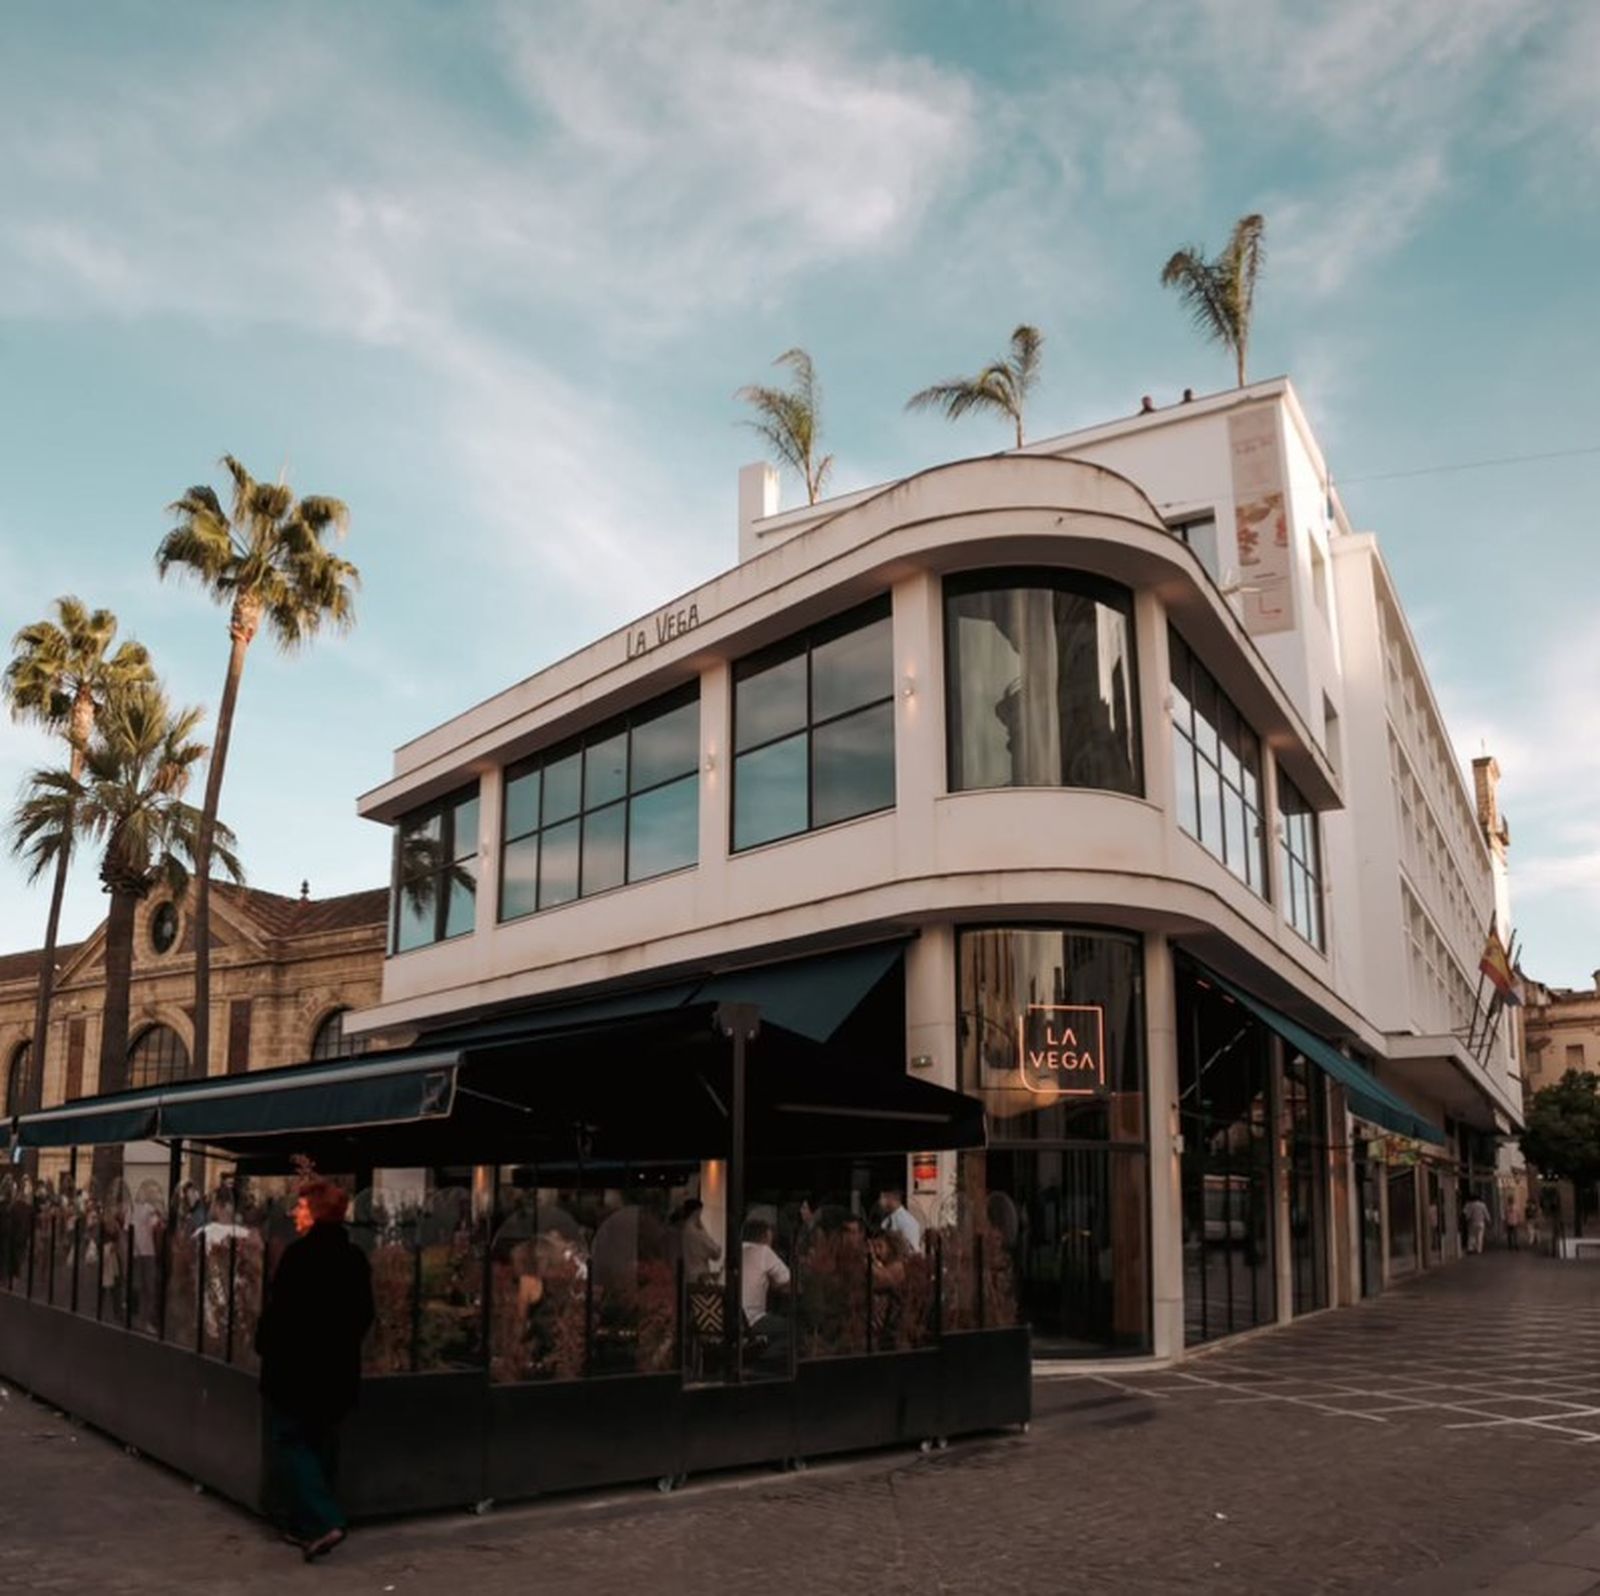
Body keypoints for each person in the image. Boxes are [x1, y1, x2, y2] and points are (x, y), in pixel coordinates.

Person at [255, 1178, 374, 1561]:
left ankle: (323, 1520)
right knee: (322, 1442)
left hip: (295, 1373)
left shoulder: (299, 1258)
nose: (295, 1213)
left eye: (302, 1207)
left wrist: (266, 1345)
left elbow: (279, 1317)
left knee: (289, 1441)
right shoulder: (355, 1259)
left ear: (317, 1214)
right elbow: (363, 1314)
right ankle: (306, 1526)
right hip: (337, 1372)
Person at [740, 1218, 791, 1361]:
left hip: (731, 1320)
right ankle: (762, 1362)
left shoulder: (734, 1251)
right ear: (764, 1237)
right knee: (793, 1329)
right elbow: (790, 1281)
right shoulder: (763, 1251)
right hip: (752, 1320)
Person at [674, 1198, 722, 1283]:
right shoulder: (696, 1232)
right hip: (700, 1278)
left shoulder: (683, 1230)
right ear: (697, 1212)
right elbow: (715, 1252)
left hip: (687, 1276)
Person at [878, 1189, 923, 1255]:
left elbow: (912, 1248)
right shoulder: (887, 1220)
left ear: (891, 1198)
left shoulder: (907, 1221)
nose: (880, 1201)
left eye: (883, 1197)